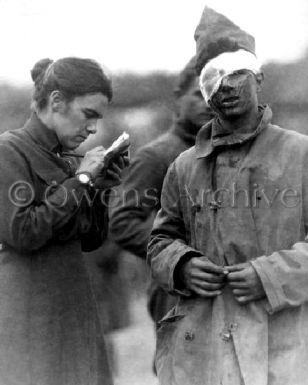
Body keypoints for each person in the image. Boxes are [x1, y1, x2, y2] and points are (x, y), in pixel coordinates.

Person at [147, 6, 308, 385]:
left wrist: (270, 275)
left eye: (237, 73)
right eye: (213, 79)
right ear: (204, 92)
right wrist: (181, 265)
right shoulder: (184, 166)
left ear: (259, 77)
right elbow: (160, 240)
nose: (227, 86)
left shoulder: (300, 155)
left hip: (285, 345)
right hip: (204, 347)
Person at [0, 57, 129, 385]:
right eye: (89, 115)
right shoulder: (9, 151)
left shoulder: (66, 162)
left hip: (73, 310)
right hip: (31, 316)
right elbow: (23, 231)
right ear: (56, 101)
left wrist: (100, 189)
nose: (93, 128)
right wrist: (82, 180)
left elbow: (91, 239)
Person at [109, 56, 213, 324]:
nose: (207, 103)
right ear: (177, 100)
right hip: (177, 290)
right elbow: (123, 221)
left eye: (213, 95)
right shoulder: (156, 156)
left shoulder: (227, 153)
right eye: (197, 94)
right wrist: (178, 259)